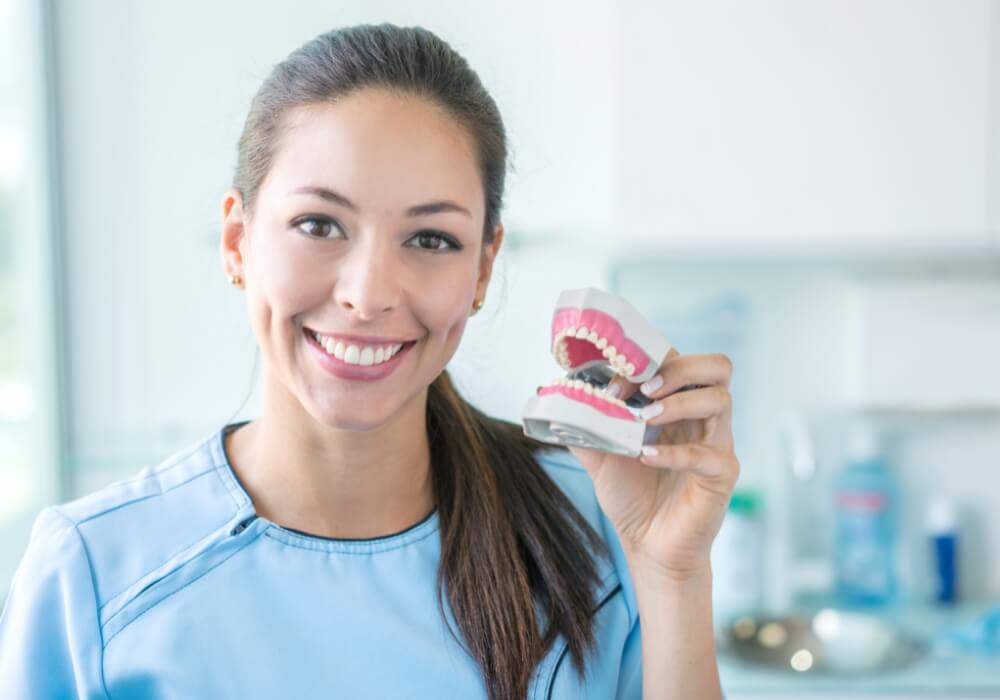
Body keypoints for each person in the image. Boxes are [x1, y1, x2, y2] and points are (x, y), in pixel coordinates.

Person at [0, 23, 737, 699]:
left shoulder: (599, 527)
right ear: (238, 242)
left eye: (430, 240)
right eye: (319, 225)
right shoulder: (93, 575)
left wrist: (672, 573)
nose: (369, 294)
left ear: (482, 270)